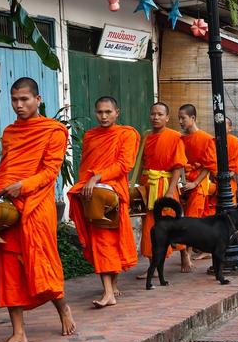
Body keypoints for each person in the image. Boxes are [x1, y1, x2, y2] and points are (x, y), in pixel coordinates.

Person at [0, 78, 76, 342]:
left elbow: (50, 171)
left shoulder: (54, 130)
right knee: (9, 264)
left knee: (41, 260)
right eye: (14, 100)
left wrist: (23, 186)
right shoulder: (10, 132)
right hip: (8, 203)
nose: (19, 105)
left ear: (38, 99)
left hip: (36, 203)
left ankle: (63, 308)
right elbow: (7, 167)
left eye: (24, 99)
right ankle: (18, 332)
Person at [68, 96, 139, 307]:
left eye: (108, 112)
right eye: (100, 112)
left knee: (110, 241)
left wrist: (97, 177)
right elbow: (85, 165)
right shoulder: (91, 136)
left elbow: (124, 164)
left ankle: (110, 292)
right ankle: (109, 290)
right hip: (95, 195)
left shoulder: (126, 134)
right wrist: (85, 184)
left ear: (117, 112)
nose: (104, 116)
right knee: (102, 241)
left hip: (113, 192)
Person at [136, 102, 187, 279]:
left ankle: (184, 255)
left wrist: (169, 192)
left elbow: (178, 167)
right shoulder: (146, 136)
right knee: (150, 226)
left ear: (167, 118)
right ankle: (153, 264)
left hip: (166, 185)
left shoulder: (174, 137)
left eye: (159, 114)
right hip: (149, 186)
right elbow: (142, 163)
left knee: (173, 224)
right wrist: (137, 184)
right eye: (153, 114)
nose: (155, 117)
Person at [179, 104, 217, 264]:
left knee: (191, 219)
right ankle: (197, 250)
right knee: (185, 218)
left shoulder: (206, 138)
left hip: (198, 184)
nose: (180, 121)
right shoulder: (179, 138)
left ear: (193, 118)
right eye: (179, 118)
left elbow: (209, 166)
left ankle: (186, 254)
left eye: (183, 118)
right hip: (182, 182)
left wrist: (194, 183)